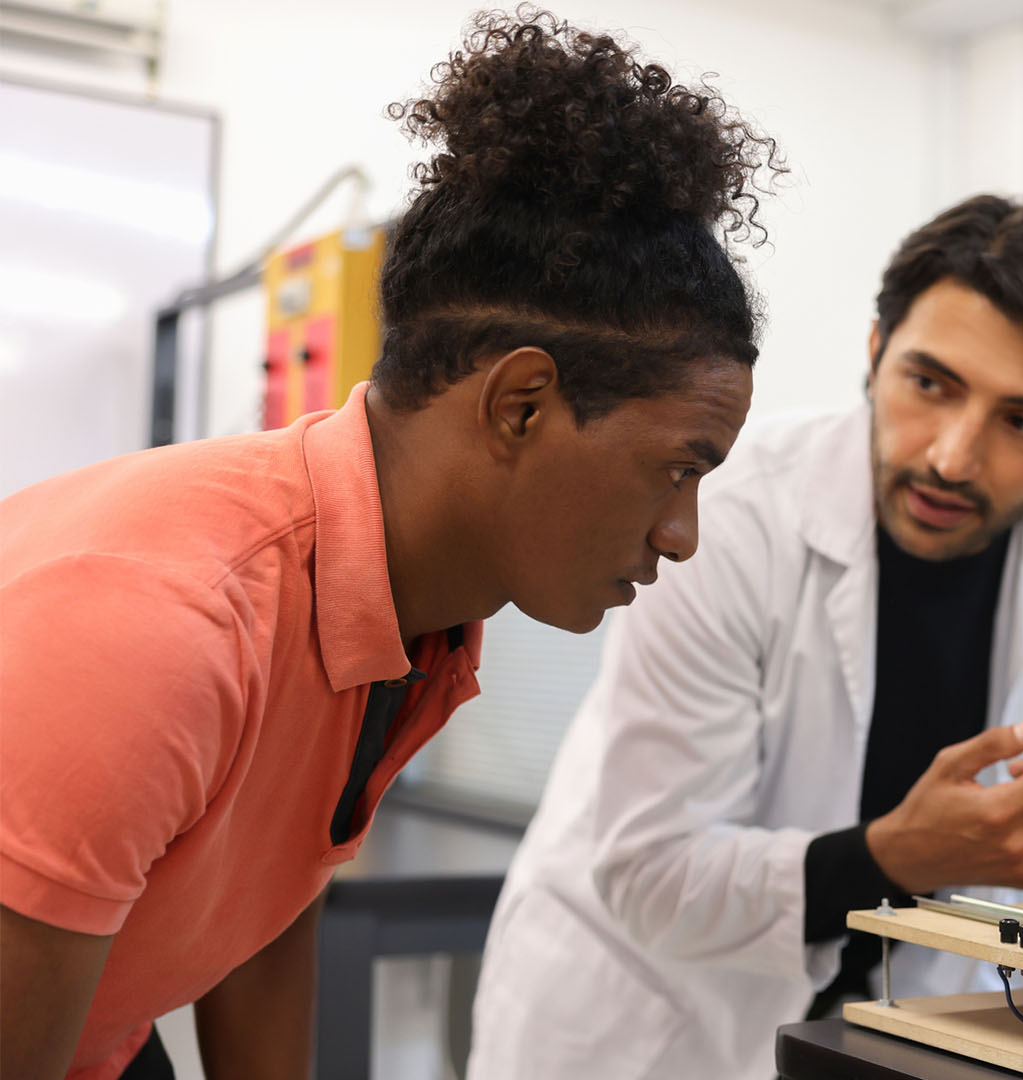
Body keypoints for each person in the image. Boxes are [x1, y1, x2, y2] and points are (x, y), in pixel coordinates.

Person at [0, 12, 779, 1079]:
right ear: (520, 405)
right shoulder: (159, 628)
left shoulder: (414, 616)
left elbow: (265, 895)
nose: (681, 536)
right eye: (679, 467)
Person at [468, 194, 1023, 1078]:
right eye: (929, 384)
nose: (951, 456)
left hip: (899, 1037)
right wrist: (890, 857)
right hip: (641, 1026)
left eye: (1022, 421)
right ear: (874, 355)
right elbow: (651, 874)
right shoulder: (729, 516)